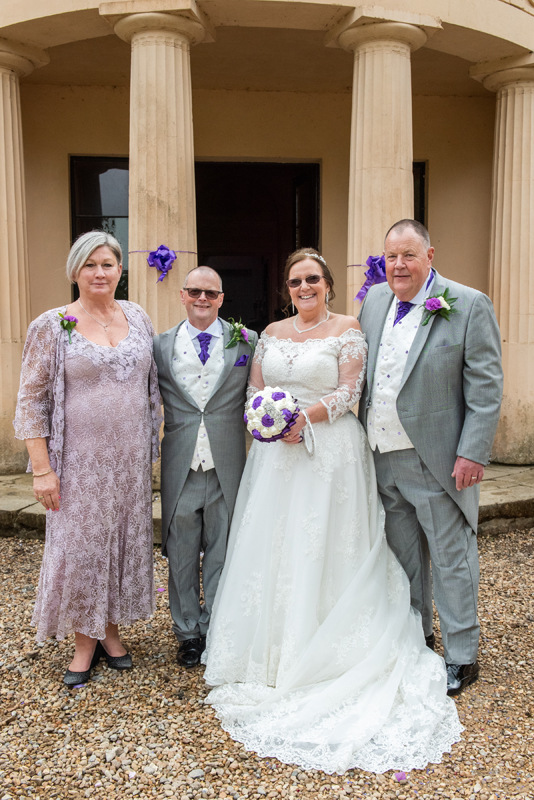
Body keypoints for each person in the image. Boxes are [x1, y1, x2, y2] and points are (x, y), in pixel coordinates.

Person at [202, 248, 462, 774]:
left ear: (328, 284)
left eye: (313, 279)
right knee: (276, 543)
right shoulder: (270, 333)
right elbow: (256, 389)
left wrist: (305, 417)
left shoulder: (348, 328)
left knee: (325, 543)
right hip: (276, 458)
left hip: (331, 453)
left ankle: (331, 641)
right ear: (287, 288)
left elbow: (349, 391)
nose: (304, 287)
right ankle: (273, 650)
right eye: (296, 281)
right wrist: (266, 417)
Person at [358, 219, 503, 697]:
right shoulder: (374, 300)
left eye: (409, 255)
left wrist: (472, 452)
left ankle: (462, 655)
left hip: (438, 460)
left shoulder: (468, 303)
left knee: (451, 559)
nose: (398, 265)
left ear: (430, 255)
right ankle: (416, 638)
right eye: (391, 256)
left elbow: (486, 387)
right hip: (382, 455)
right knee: (403, 559)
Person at [13, 230, 162, 687]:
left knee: (121, 543)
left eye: (107, 264)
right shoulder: (52, 324)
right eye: (90, 264)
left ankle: (110, 631)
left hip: (129, 463)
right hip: (78, 463)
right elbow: (31, 401)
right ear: (75, 271)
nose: (99, 272)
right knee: (80, 548)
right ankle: (84, 641)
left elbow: (152, 384)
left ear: (120, 270)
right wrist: (42, 470)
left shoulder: (138, 316)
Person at [153, 266, 257, 668]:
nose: (202, 299)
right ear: (182, 295)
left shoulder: (247, 341)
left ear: (221, 299)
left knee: (222, 550)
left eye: (211, 293)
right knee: (180, 552)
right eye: (195, 291)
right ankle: (187, 633)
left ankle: (216, 628)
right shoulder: (159, 345)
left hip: (226, 464)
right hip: (180, 464)